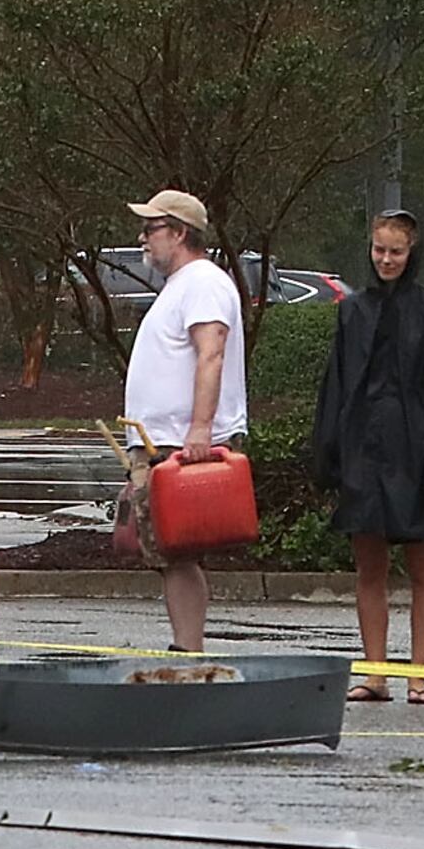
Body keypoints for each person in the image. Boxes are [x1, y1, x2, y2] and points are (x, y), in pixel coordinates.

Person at [313, 207, 424, 705]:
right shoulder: (352, 309)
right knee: (369, 566)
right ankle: (376, 672)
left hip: (417, 449)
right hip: (364, 448)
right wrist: (329, 453)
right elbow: (335, 384)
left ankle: (418, 675)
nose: (385, 259)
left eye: (395, 251)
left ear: (412, 251)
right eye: (379, 249)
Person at [122, 187, 249, 656]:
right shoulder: (182, 285)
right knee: (170, 554)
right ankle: (185, 646)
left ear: (179, 233)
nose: (143, 238)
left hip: (181, 443)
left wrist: (201, 428)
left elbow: (210, 352)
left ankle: (188, 648)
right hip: (161, 442)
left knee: (178, 551)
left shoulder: (202, 282)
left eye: (152, 228)